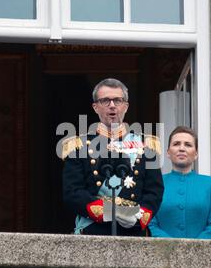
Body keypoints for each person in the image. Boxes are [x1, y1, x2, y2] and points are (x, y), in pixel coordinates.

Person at [62, 78, 164, 236]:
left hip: (134, 231)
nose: (112, 105)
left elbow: (154, 191)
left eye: (117, 100)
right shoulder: (79, 146)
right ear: (95, 107)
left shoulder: (146, 145)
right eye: (105, 101)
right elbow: (73, 192)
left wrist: (138, 216)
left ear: (126, 106)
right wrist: (106, 212)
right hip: (93, 230)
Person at [149, 126, 211, 239]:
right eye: (176, 144)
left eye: (188, 145)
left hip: (202, 253)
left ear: (196, 154)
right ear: (168, 153)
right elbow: (149, 223)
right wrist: (171, 246)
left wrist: (194, 249)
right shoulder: (155, 184)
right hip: (162, 253)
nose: (181, 148)